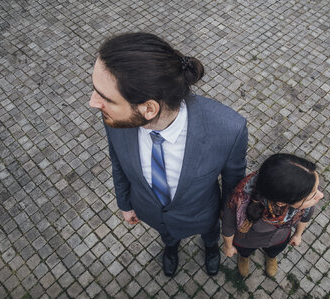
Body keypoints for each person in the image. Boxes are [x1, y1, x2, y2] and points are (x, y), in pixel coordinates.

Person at [89, 32, 248, 277]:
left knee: (209, 235)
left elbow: (233, 186)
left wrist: (227, 224)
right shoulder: (114, 117)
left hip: (202, 214)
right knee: (168, 236)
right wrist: (125, 203)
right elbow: (118, 162)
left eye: (105, 97)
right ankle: (170, 247)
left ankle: (210, 248)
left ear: (148, 108)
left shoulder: (229, 129)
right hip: (150, 211)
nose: (93, 102)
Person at [222, 154, 323, 277]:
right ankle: (244, 257)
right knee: (244, 252)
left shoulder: (302, 195)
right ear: (281, 203)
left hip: (279, 239)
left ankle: (271, 256)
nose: (320, 195)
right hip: (246, 241)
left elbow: (306, 215)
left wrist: (298, 235)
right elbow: (228, 226)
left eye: (316, 190)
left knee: (274, 251)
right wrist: (228, 247)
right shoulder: (238, 200)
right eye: (313, 195)